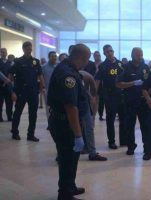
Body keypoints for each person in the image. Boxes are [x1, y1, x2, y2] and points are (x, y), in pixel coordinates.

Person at [48, 44, 90, 200]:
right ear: (82, 58)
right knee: (67, 160)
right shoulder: (68, 76)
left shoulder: (68, 68)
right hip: (65, 125)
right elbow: (71, 107)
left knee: (72, 159)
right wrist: (78, 134)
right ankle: (64, 194)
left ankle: (70, 187)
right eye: (87, 59)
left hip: (66, 123)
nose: (87, 62)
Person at [116, 47, 151, 156]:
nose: (140, 57)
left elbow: (150, 83)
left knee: (145, 126)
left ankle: (147, 148)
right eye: (138, 55)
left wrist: (148, 96)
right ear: (132, 55)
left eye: (141, 55)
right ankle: (131, 147)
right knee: (129, 126)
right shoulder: (125, 67)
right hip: (129, 101)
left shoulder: (145, 67)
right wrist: (132, 83)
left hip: (142, 102)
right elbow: (118, 84)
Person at [8, 41, 46, 141]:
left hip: (33, 91)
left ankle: (31, 135)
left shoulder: (35, 61)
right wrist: (12, 92)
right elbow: (10, 77)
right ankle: (15, 132)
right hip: (21, 91)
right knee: (18, 112)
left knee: (33, 114)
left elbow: (40, 75)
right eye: (28, 48)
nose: (30, 50)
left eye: (31, 48)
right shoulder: (18, 61)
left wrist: (43, 87)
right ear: (24, 49)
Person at [95, 44, 126, 149]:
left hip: (121, 95)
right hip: (109, 96)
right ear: (104, 53)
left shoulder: (121, 64)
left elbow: (126, 78)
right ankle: (111, 141)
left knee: (123, 119)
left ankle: (123, 140)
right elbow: (97, 80)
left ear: (113, 51)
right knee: (110, 120)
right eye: (107, 52)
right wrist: (94, 94)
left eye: (111, 51)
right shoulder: (102, 66)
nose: (109, 53)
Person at [79, 70, 107, 161]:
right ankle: (64, 153)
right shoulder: (67, 73)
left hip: (84, 103)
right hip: (72, 104)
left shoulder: (87, 76)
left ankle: (92, 152)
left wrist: (93, 113)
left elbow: (94, 94)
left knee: (88, 127)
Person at [42, 51, 57, 120]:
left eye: (55, 56)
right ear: (49, 57)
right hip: (47, 90)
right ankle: (50, 122)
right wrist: (43, 88)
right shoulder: (43, 67)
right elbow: (41, 79)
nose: (54, 57)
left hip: (58, 90)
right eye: (52, 56)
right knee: (48, 107)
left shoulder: (59, 66)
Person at [0, 48, 13, 121]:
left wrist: (8, 80)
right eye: (2, 52)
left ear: (7, 53)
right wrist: (4, 80)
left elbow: (13, 73)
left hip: (8, 86)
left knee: (9, 103)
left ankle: (9, 117)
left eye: (4, 52)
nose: (3, 53)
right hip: (0, 86)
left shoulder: (10, 62)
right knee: (0, 103)